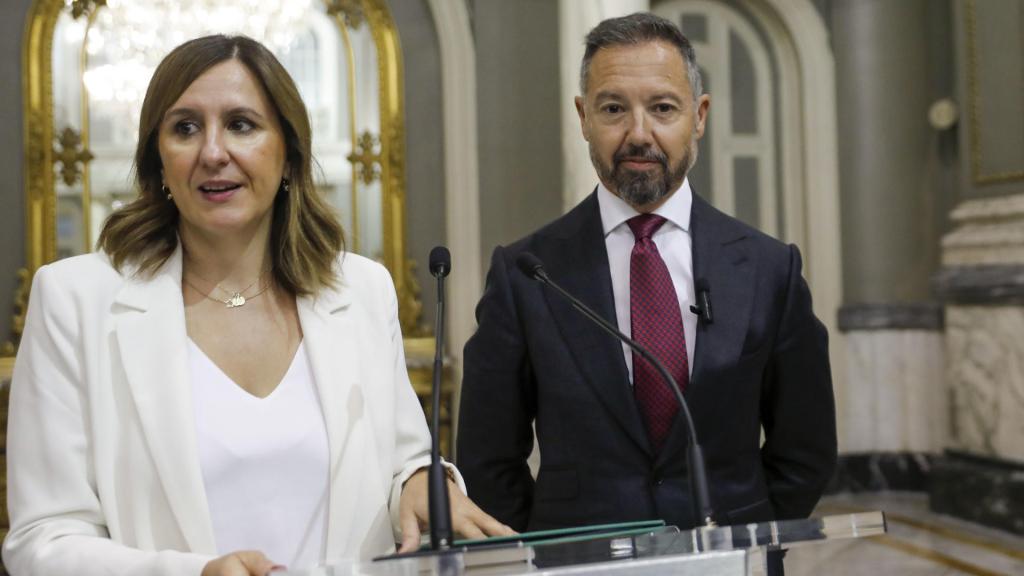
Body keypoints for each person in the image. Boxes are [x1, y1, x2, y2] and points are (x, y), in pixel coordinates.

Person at [3, 34, 510, 576]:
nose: (213, 152)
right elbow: (43, 540)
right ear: (158, 158)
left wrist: (418, 484)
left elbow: (403, 463)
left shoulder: (360, 290)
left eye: (241, 124)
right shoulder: (75, 300)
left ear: (289, 154)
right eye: (185, 128)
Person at [456, 12, 836, 574]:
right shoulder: (525, 273)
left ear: (698, 117)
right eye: (613, 109)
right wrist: (551, 552)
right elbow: (488, 460)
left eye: (662, 108)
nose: (638, 133)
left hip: (733, 561)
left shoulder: (768, 268)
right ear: (583, 117)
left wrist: (748, 541)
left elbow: (805, 451)